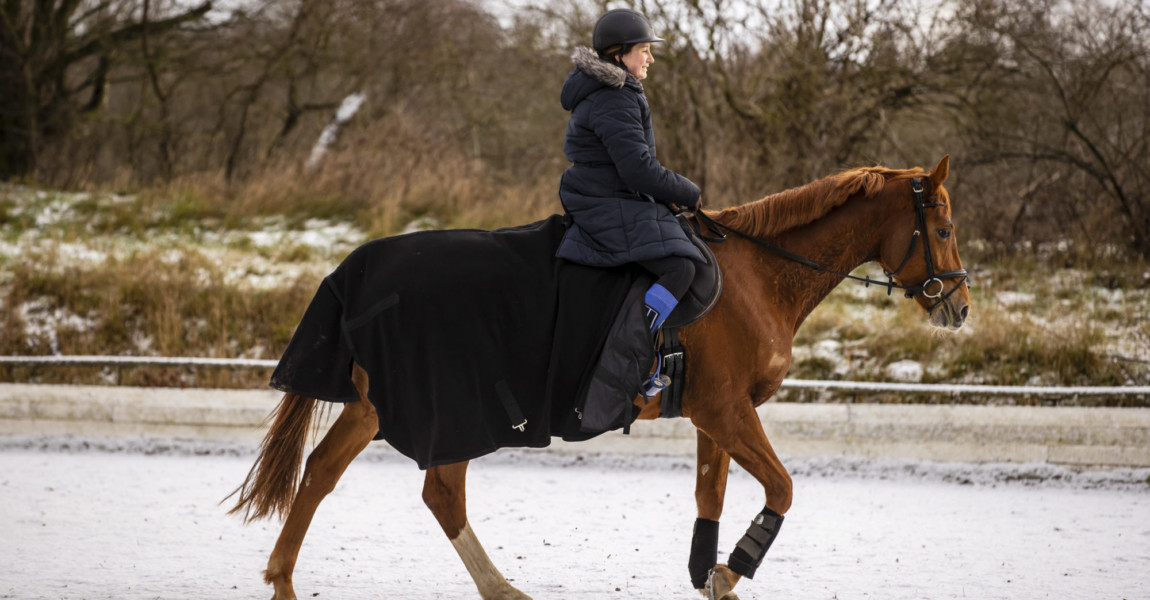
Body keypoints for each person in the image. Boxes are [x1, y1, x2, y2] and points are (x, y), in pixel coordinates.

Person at [555, 8, 706, 397]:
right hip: (605, 203)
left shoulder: (610, 91)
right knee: (679, 268)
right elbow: (638, 169)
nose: (650, 58)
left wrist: (665, 198)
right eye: (644, 50)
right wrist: (688, 192)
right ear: (618, 54)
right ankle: (630, 355)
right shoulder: (613, 97)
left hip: (611, 195)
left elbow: (632, 170)